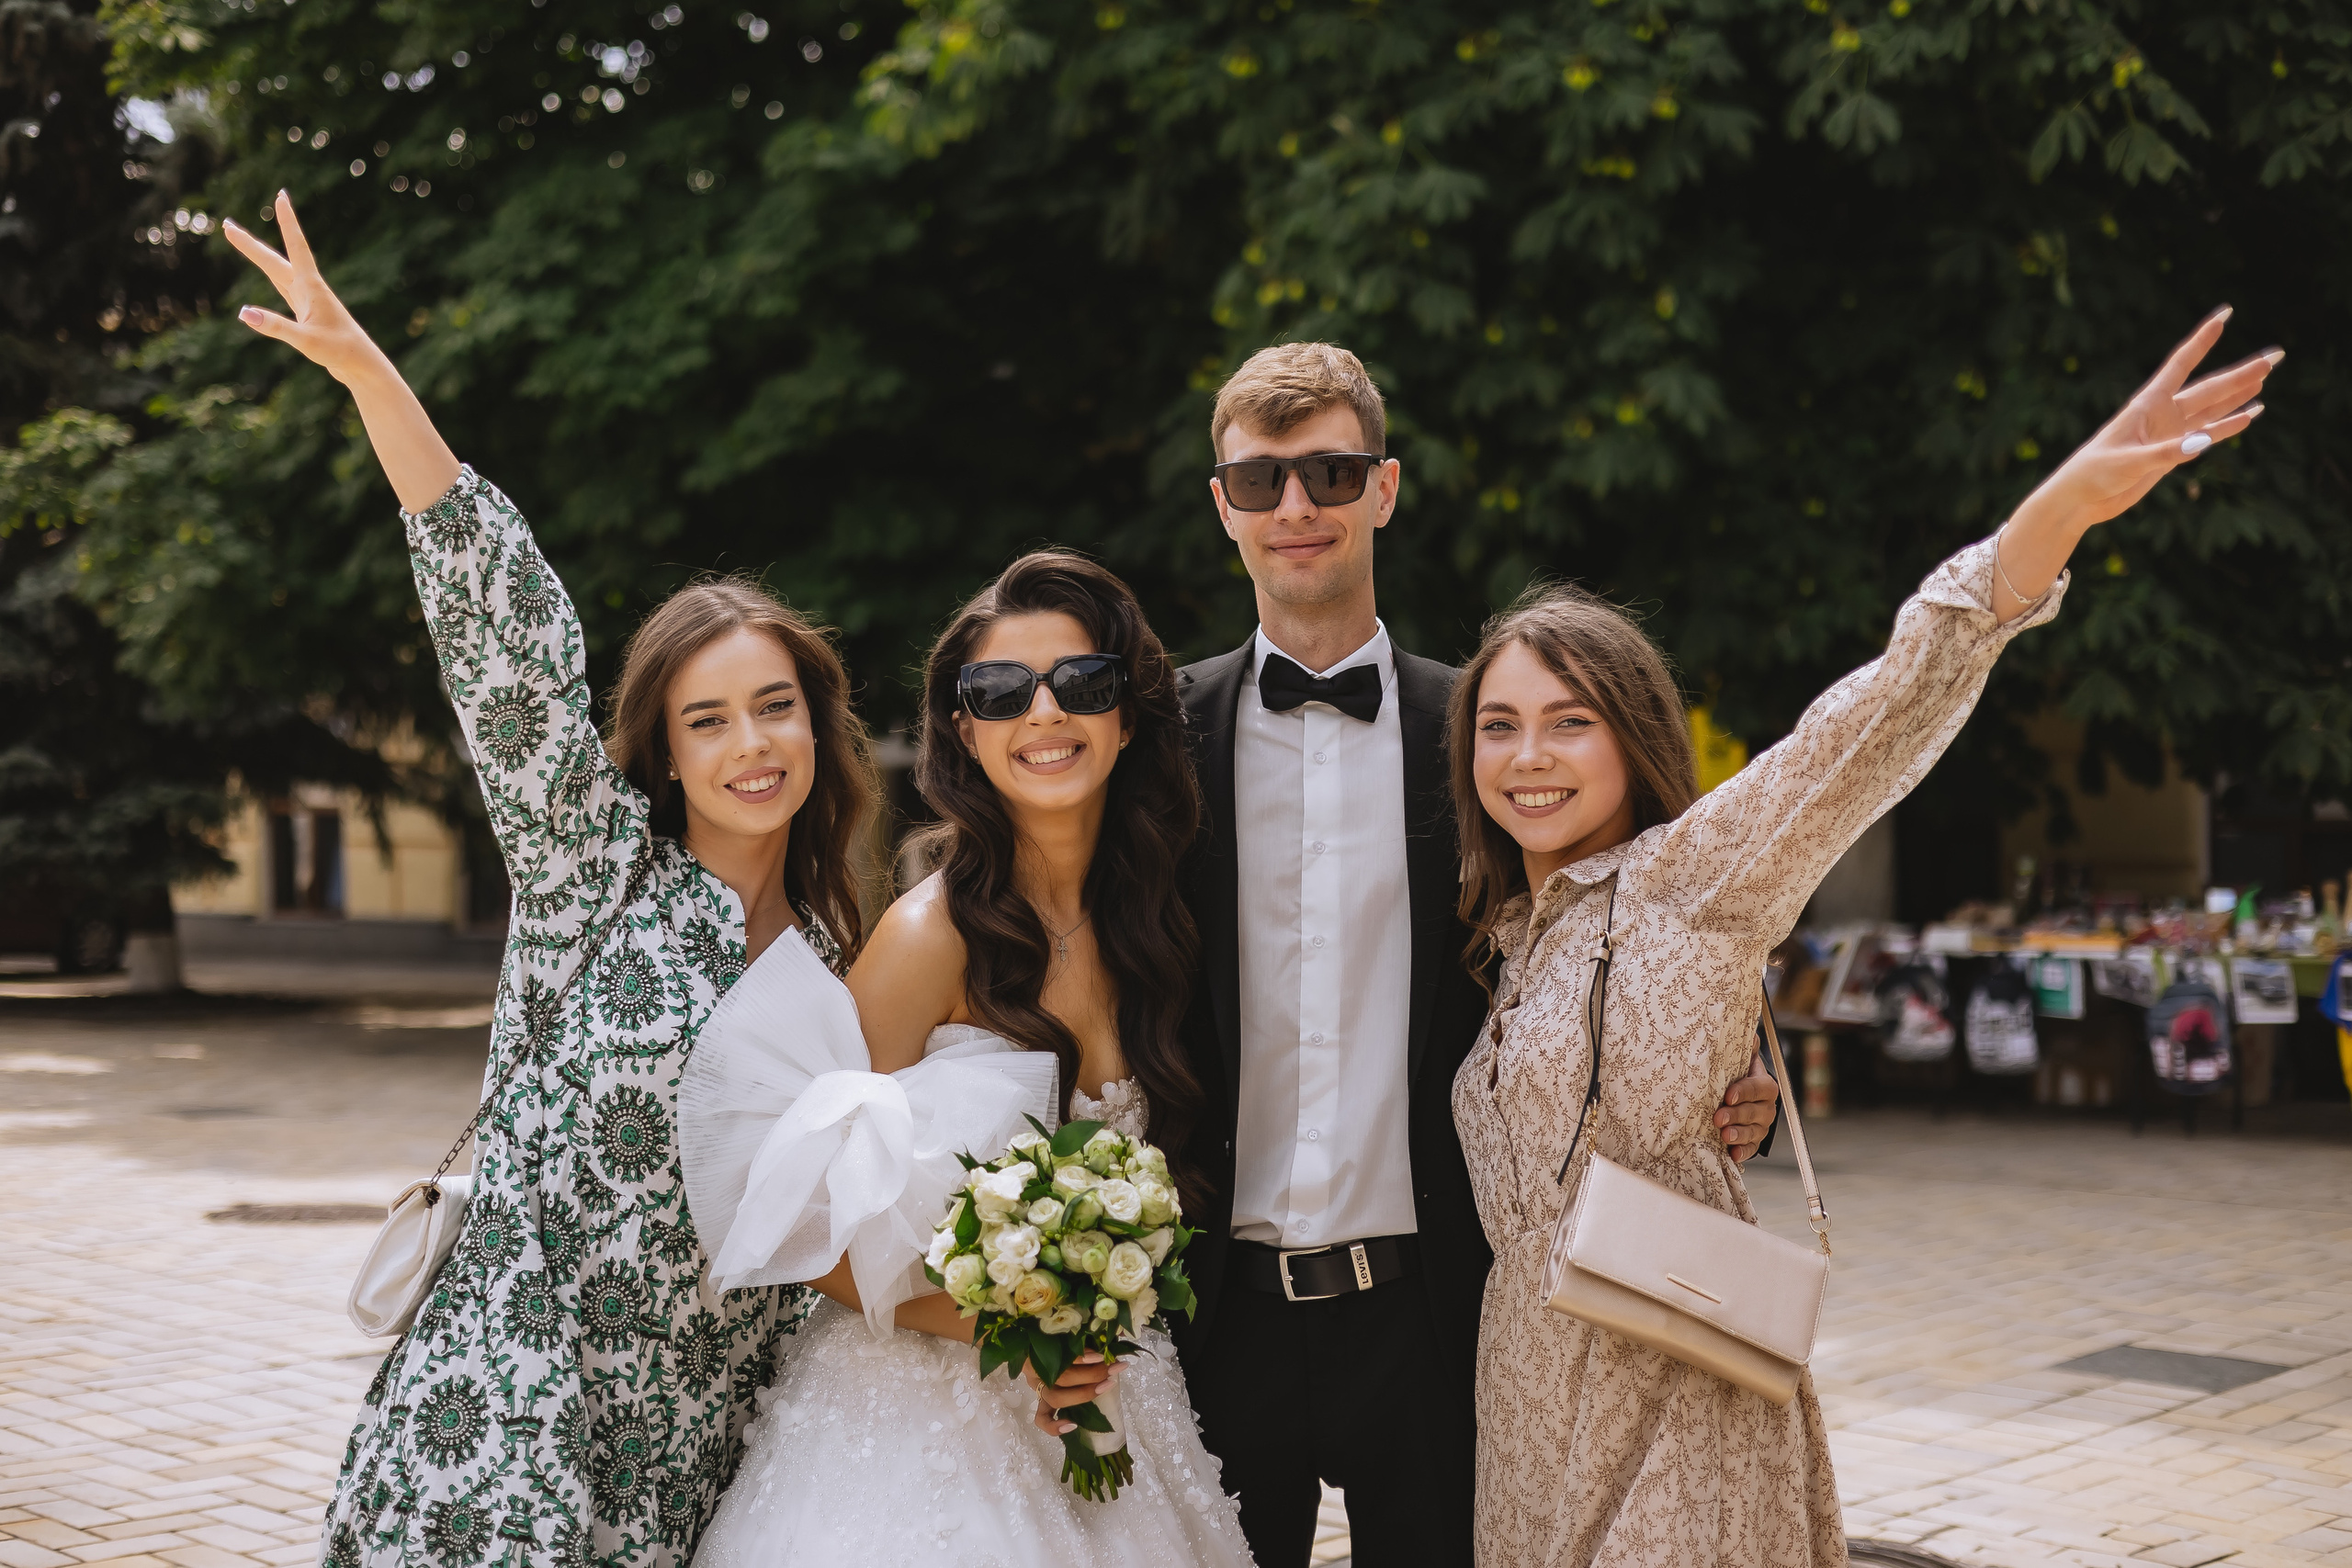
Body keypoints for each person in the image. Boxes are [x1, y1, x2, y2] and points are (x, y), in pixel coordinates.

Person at [1448, 310, 2276, 1565]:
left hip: (1677, 1371)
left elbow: (1871, 720)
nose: (1529, 757)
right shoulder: (1505, 937)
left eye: (1568, 722)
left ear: (1630, 736)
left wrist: (2054, 514)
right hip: (1521, 1387)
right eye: (1498, 725)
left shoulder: (1690, 874)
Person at [1028, 344, 1778, 1568]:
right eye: (1261, 480)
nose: (1298, 507)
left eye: (1330, 471)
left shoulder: (1486, 732)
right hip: (1212, 1309)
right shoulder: (1150, 741)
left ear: (1384, 487)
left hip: (1440, 1308)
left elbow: (1634, 892)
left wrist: (1735, 1054)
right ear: (1222, 504)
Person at [224, 192, 877, 1567]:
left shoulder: (844, 948)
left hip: (701, 1437)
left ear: (818, 717)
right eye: (708, 719)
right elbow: (501, 627)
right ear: (666, 747)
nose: (751, 744)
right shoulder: (594, 867)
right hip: (509, 1398)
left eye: (775, 705)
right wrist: (368, 374)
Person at [678, 551, 1256, 1567]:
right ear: (963, 727)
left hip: (1116, 1392)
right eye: (1000, 692)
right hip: (923, 1420)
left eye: (1082, 684)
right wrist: (1007, 1339)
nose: (1044, 715)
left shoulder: (1163, 928)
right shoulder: (927, 937)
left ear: (1126, 715)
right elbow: (806, 1214)